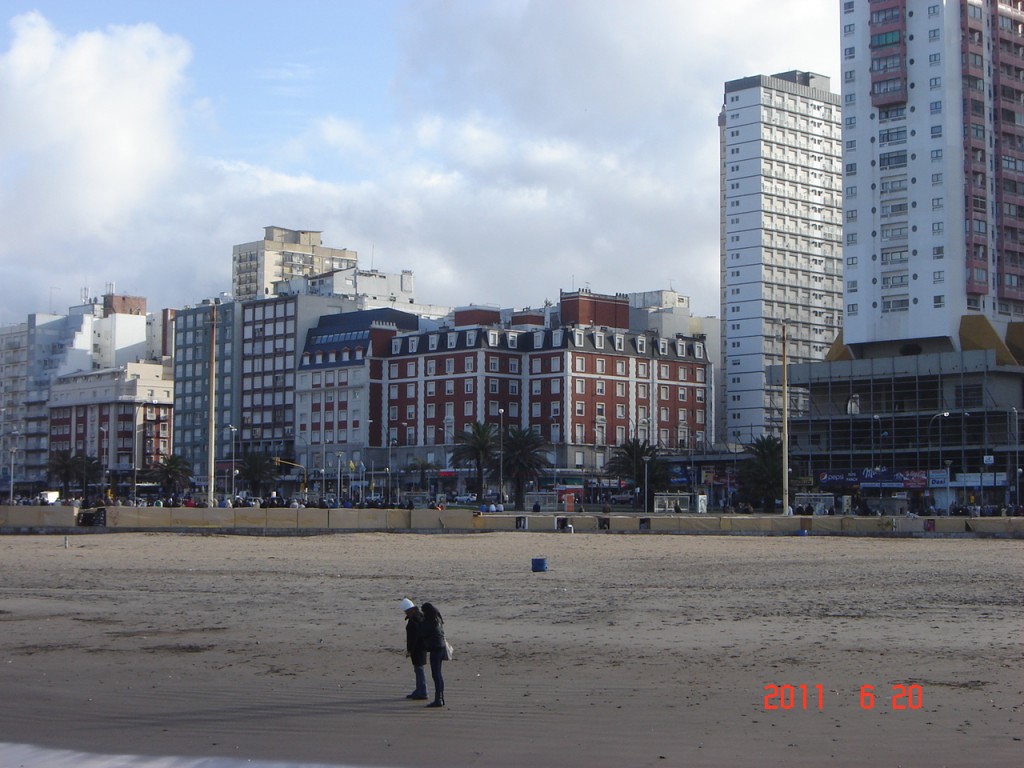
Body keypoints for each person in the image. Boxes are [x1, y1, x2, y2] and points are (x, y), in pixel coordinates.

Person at [420, 602, 447, 708]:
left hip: (435, 649)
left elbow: (422, 632)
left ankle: (438, 699)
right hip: (441, 648)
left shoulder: (429, 621)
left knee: (436, 675)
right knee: (439, 675)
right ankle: (441, 697)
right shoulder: (437, 619)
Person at [401, 598, 428, 700]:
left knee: (419, 669)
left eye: (406, 611)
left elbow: (413, 637)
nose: (405, 613)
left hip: (418, 648)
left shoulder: (415, 619)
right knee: (418, 669)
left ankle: (423, 691)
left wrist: (410, 650)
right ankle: (419, 690)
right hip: (421, 647)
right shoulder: (419, 616)